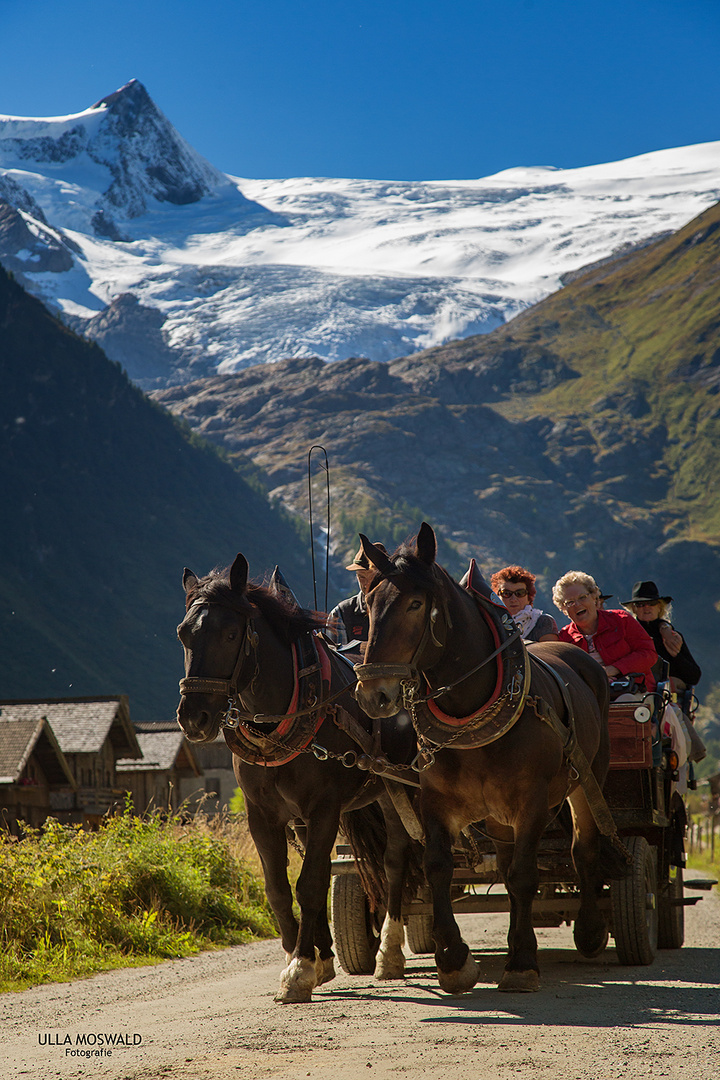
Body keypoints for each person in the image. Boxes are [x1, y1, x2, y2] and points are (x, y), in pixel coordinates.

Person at [552, 571, 657, 689]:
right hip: (588, 697)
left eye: (582, 597)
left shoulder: (621, 620)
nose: (577, 604)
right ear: (563, 609)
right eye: (570, 602)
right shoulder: (564, 639)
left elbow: (648, 653)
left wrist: (613, 670)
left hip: (634, 692)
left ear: (594, 598)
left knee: (624, 702)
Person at [622, 580, 701, 691]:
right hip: (638, 692)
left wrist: (676, 656)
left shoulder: (672, 637)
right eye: (640, 604)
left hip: (668, 698)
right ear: (634, 609)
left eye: (652, 603)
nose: (646, 607)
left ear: (659, 607)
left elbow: (694, 677)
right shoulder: (627, 636)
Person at [325, 542, 389, 647]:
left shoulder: (400, 609)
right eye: (361, 577)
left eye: (373, 578)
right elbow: (336, 660)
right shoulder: (341, 614)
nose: (366, 584)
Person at [491, 565, 558, 643]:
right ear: (497, 596)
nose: (513, 599)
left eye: (520, 593)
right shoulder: (488, 623)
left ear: (529, 597)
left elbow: (549, 653)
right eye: (506, 593)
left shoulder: (543, 622)